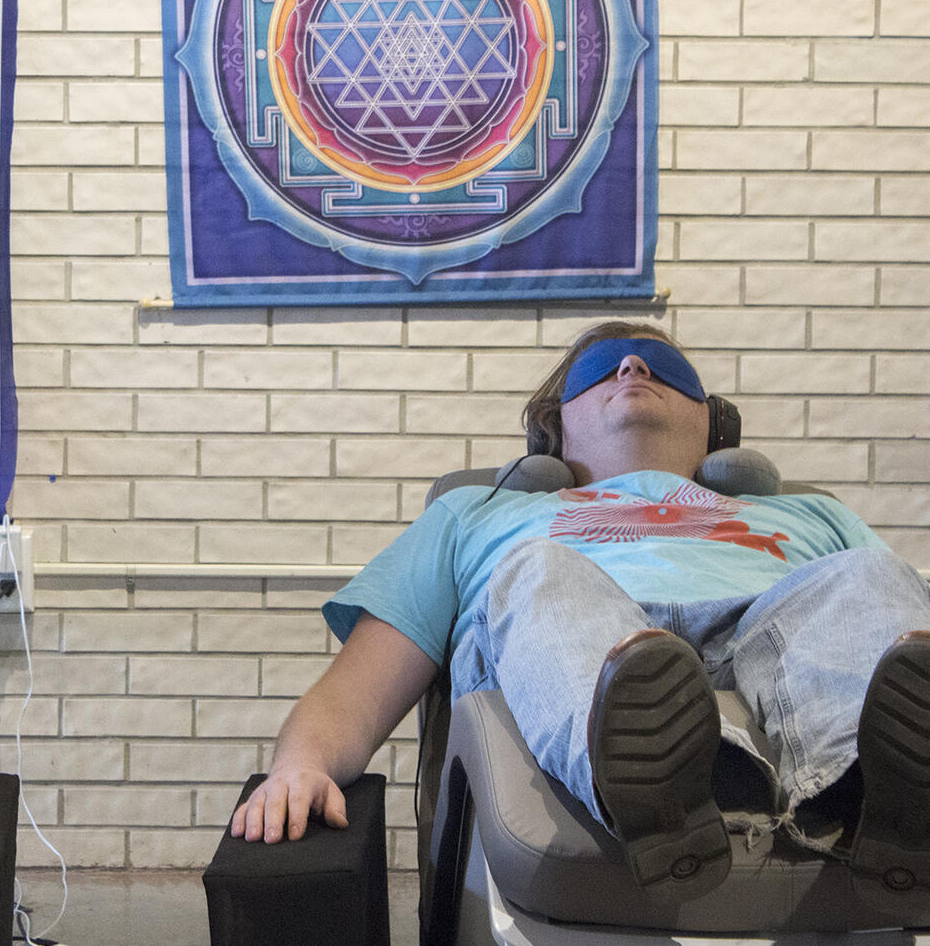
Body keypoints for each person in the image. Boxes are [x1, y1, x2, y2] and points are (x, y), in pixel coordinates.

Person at [230, 320, 930, 909]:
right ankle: (684, 783)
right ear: (553, 429)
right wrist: (301, 764)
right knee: (538, 570)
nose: (631, 365)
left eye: (662, 367)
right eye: (601, 369)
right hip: (573, 646)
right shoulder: (483, 514)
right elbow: (361, 684)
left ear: (711, 423)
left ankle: (881, 802)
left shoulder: (811, 514)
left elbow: (895, 632)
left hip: (778, 649)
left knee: (871, 572)